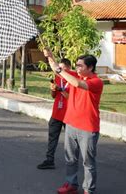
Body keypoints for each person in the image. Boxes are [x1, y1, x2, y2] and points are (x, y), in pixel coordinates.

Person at [44, 50, 103, 194]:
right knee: (70, 158)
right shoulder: (77, 75)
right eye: (76, 65)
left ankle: (88, 189)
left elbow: (76, 83)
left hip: (88, 128)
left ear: (90, 68)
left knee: (88, 162)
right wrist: (50, 57)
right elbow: (58, 71)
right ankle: (71, 184)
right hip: (70, 124)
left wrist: (60, 70)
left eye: (80, 66)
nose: (77, 68)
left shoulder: (96, 82)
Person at [37, 58, 77, 170]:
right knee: (52, 137)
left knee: (71, 140)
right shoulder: (57, 77)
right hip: (57, 113)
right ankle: (49, 160)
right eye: (58, 69)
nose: (59, 71)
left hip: (69, 114)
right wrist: (53, 89)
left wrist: (60, 89)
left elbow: (72, 98)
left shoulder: (74, 78)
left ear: (68, 68)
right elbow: (54, 96)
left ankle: (73, 161)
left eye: (62, 69)